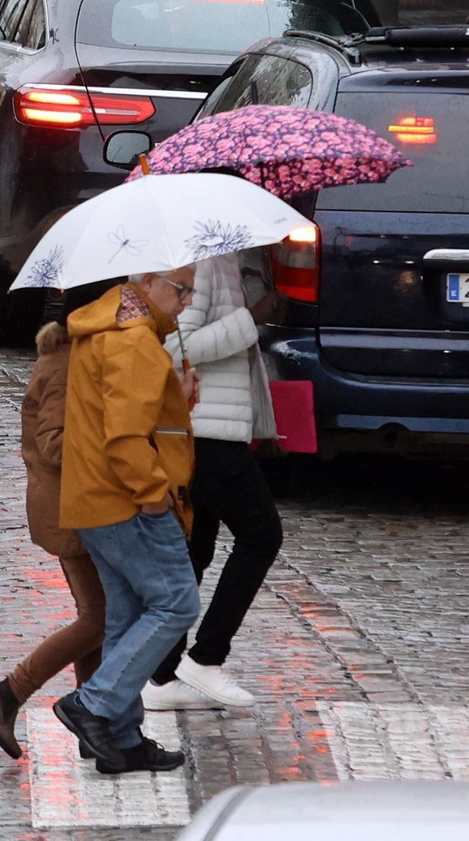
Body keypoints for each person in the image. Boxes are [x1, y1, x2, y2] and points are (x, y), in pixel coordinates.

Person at [52, 269, 202, 775]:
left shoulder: (108, 325)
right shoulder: (135, 341)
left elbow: (122, 414)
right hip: (127, 503)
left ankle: (119, 740)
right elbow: (125, 438)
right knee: (176, 603)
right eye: (181, 289)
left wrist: (176, 395)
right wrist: (155, 497)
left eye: (191, 289)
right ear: (150, 280)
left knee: (129, 615)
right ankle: (92, 706)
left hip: (93, 499)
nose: (188, 299)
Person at [141, 254, 286, 710]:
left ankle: (161, 675)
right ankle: (205, 658)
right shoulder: (203, 260)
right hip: (206, 430)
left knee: (195, 549)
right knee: (262, 534)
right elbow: (174, 344)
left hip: (209, 426)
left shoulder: (225, 260)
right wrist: (250, 318)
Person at [0, 288, 107, 761]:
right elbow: (54, 443)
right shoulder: (66, 365)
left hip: (74, 505)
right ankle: (10, 692)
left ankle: (95, 723)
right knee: (99, 618)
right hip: (70, 508)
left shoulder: (73, 357)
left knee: (98, 617)